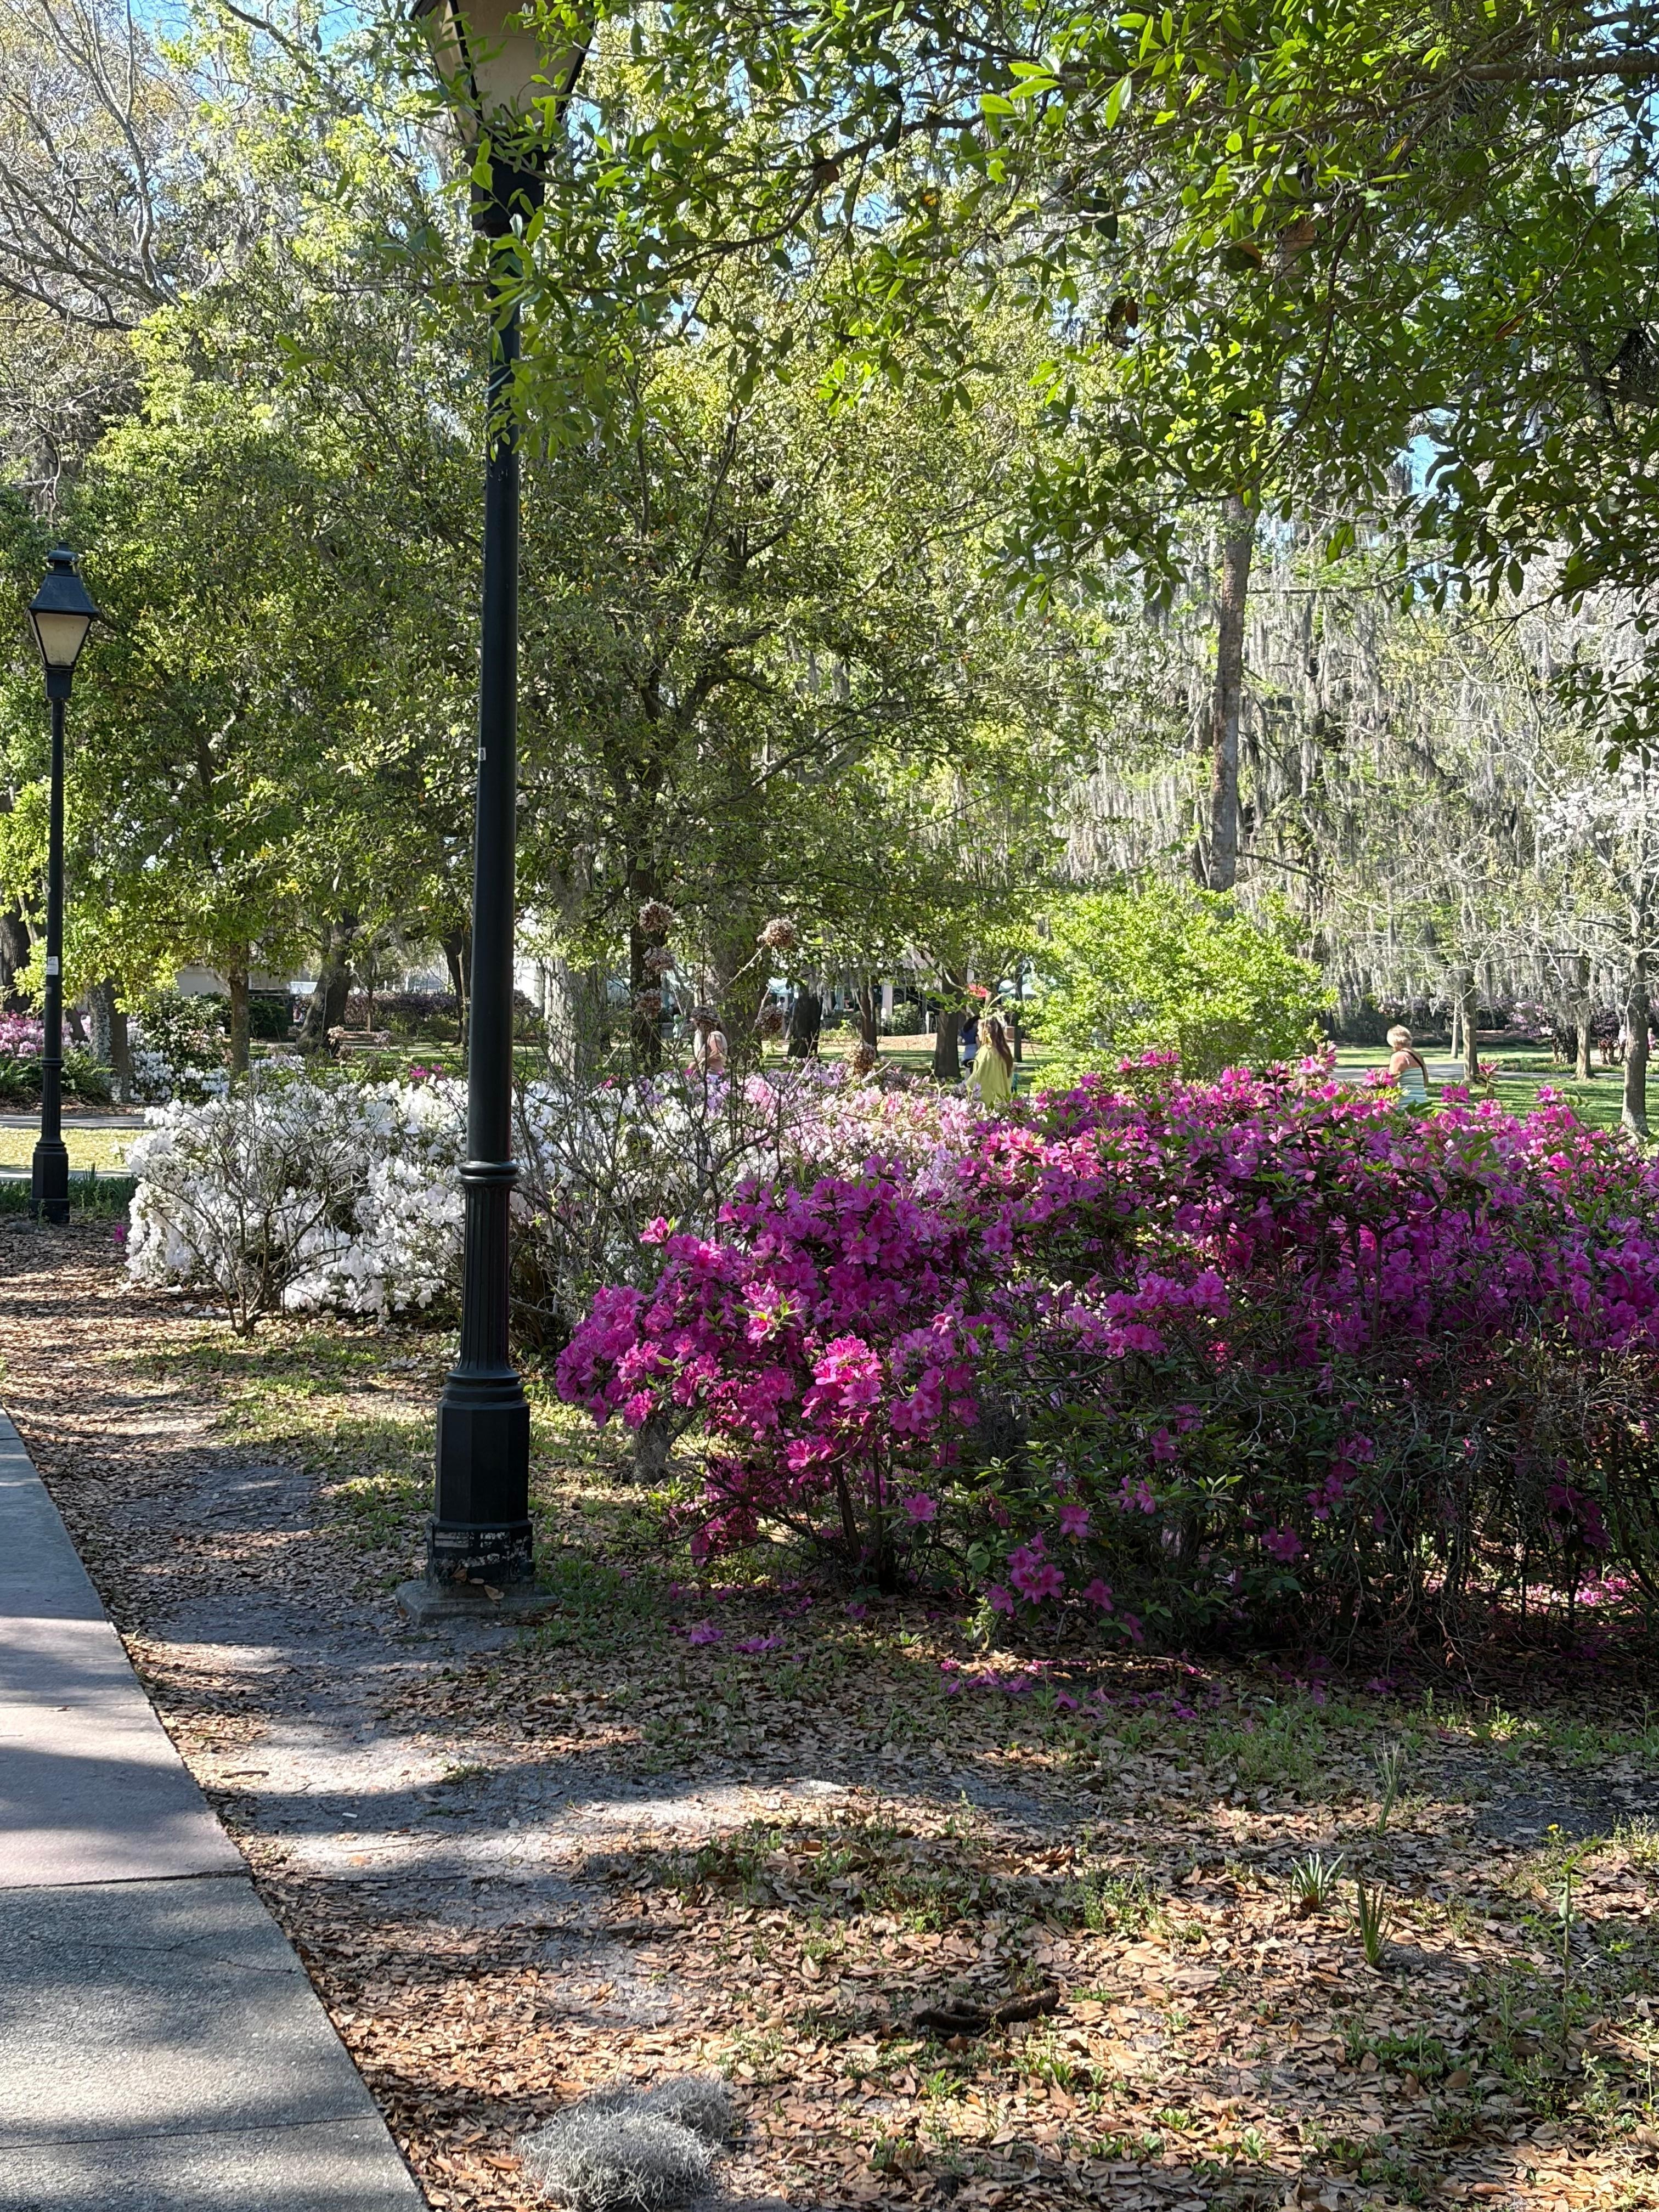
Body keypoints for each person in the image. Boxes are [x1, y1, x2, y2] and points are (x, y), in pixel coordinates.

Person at [968, 1014, 1015, 1108]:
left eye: (979, 1030)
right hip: (1003, 1102)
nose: (977, 1033)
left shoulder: (987, 1052)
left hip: (988, 1104)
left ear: (986, 1031)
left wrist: (965, 1087)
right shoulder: (1003, 1051)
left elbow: (979, 1077)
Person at [1386, 1023, 1429, 1102]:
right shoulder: (1418, 1056)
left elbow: (1392, 1084)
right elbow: (1425, 1082)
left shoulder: (1398, 1057)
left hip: (1406, 1103)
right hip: (1422, 1101)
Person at [690, 1005, 727, 1075]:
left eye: (697, 1024)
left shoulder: (714, 1036)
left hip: (714, 1077)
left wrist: (699, 1062)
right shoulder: (710, 1037)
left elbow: (718, 1055)